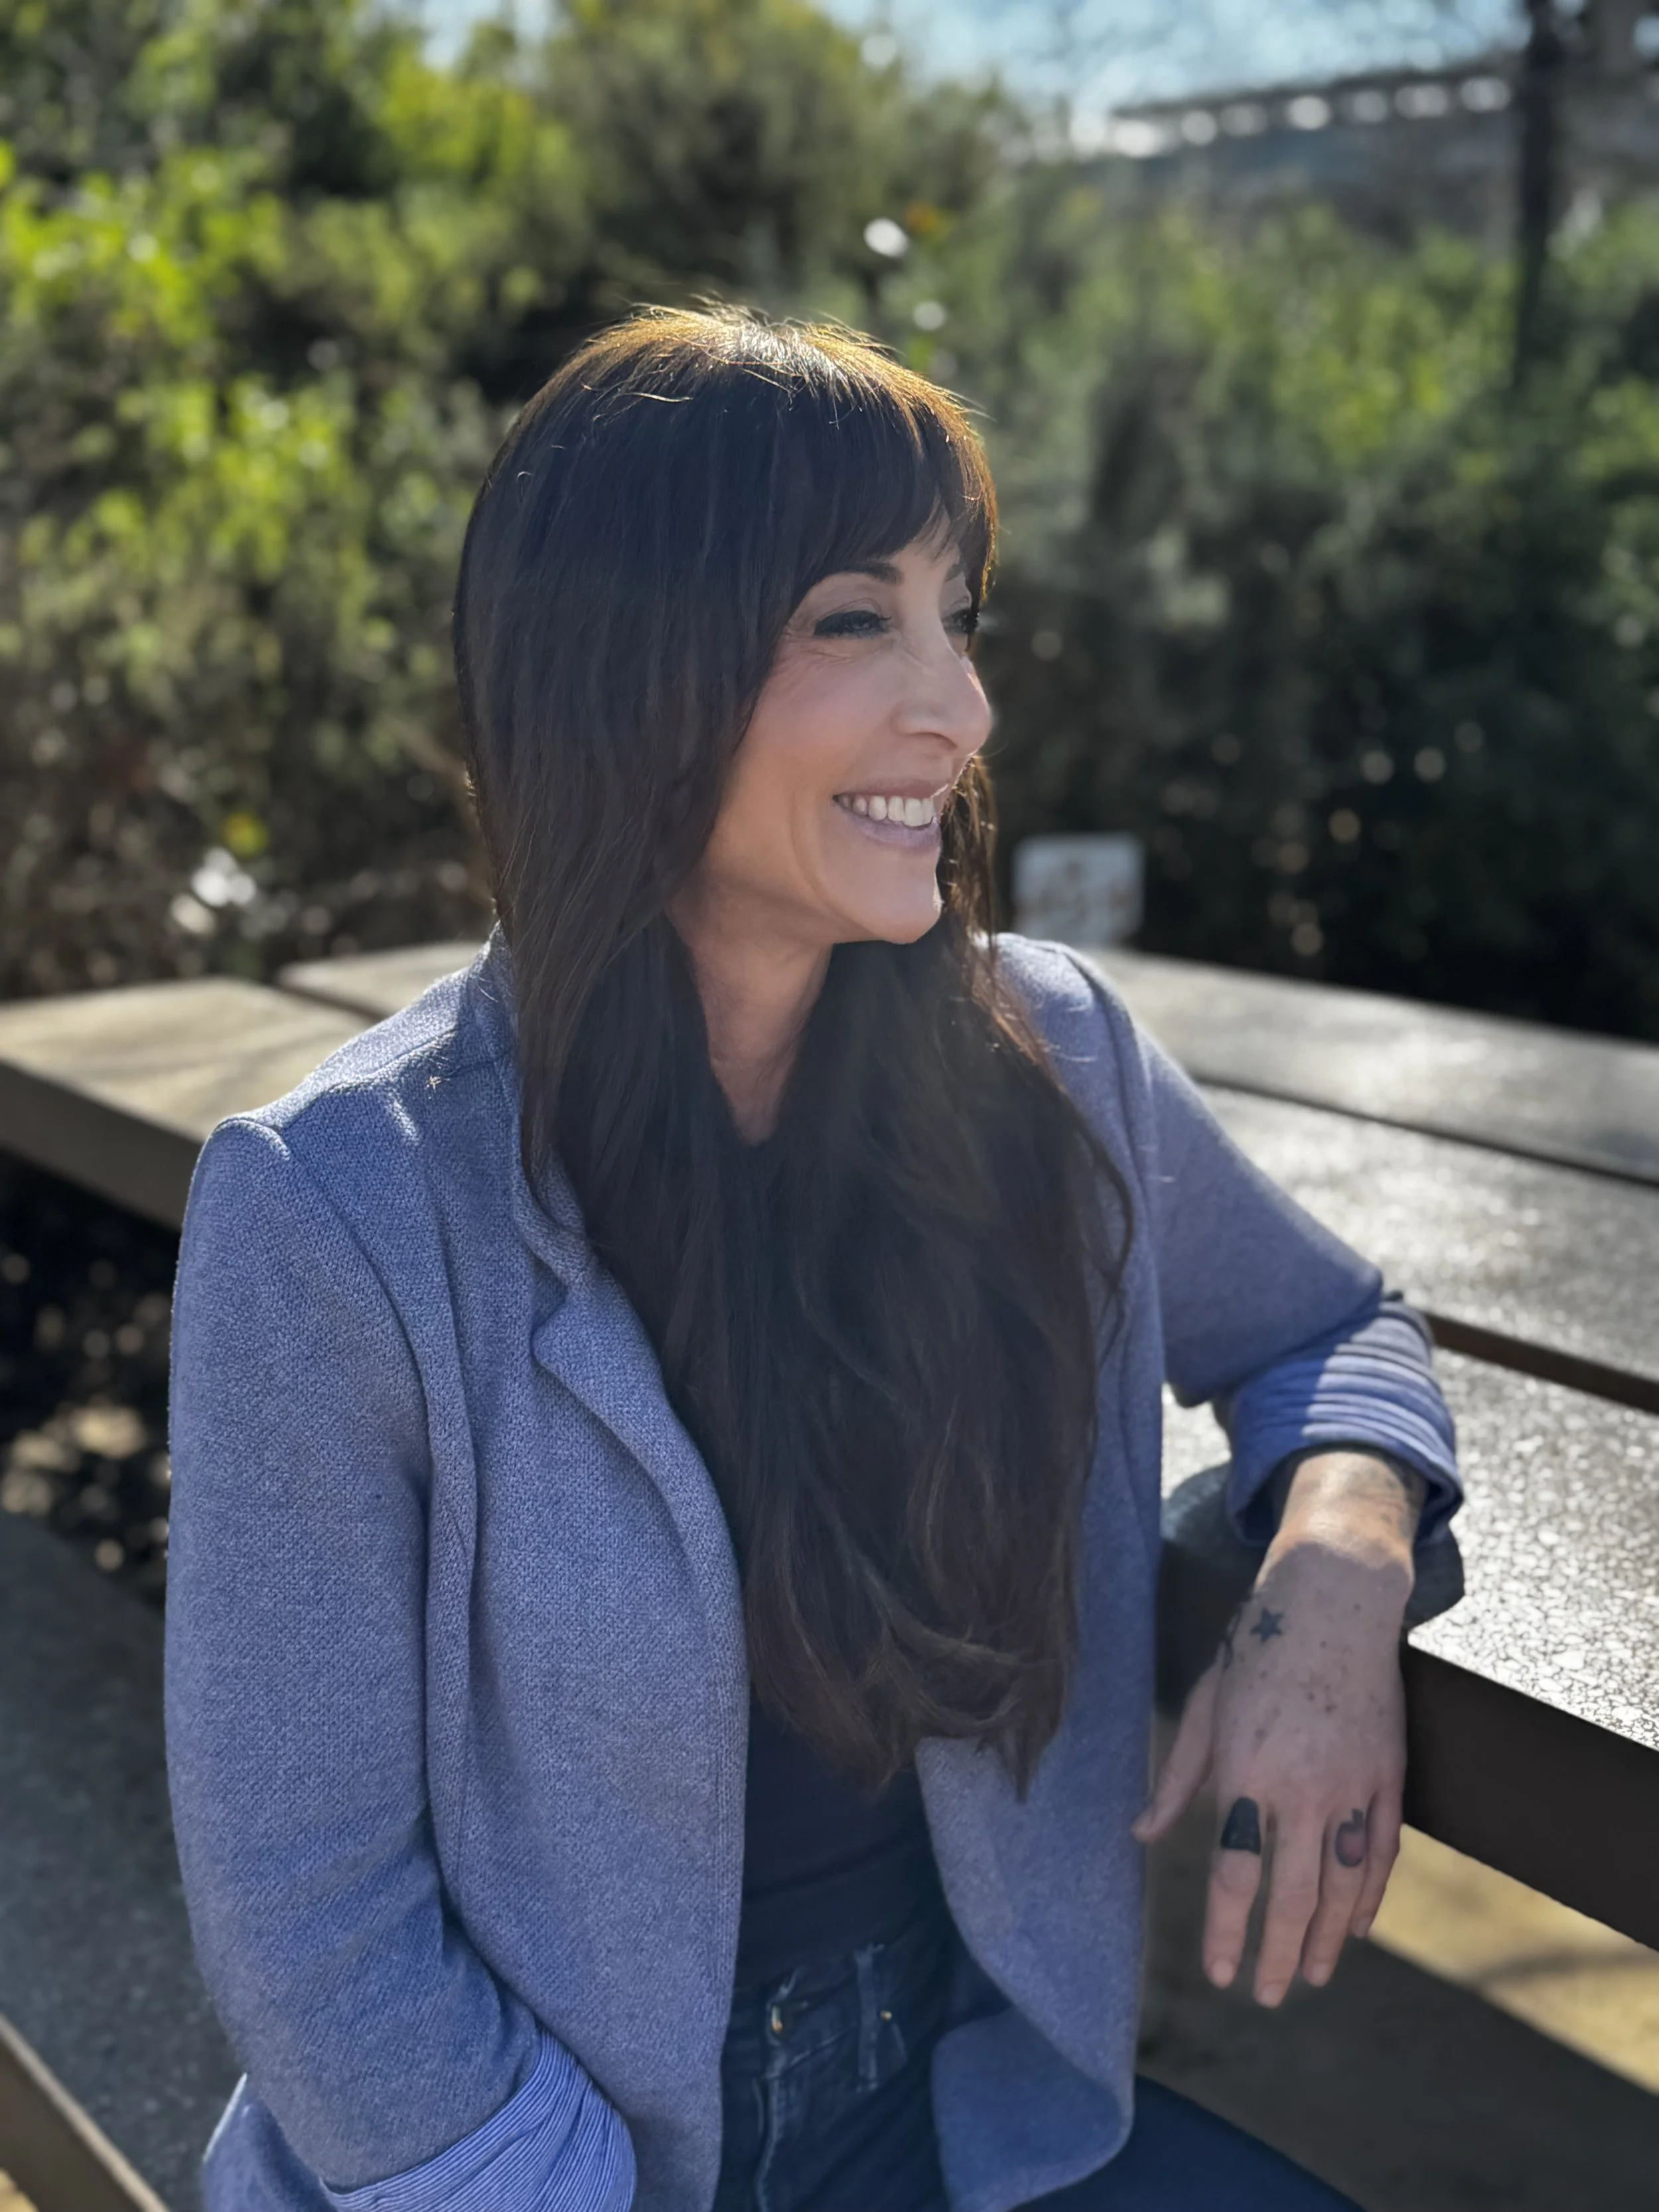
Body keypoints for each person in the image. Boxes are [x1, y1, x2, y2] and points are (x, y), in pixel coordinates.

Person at [165, 309, 1460, 2212]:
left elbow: (1337, 1328)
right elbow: (303, 1894)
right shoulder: (339, 1205)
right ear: (627, 674)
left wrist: (1331, 1584)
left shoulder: (1049, 1063)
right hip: (519, 2158)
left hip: (972, 2124)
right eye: (857, 620)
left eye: (958, 615)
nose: (960, 708)